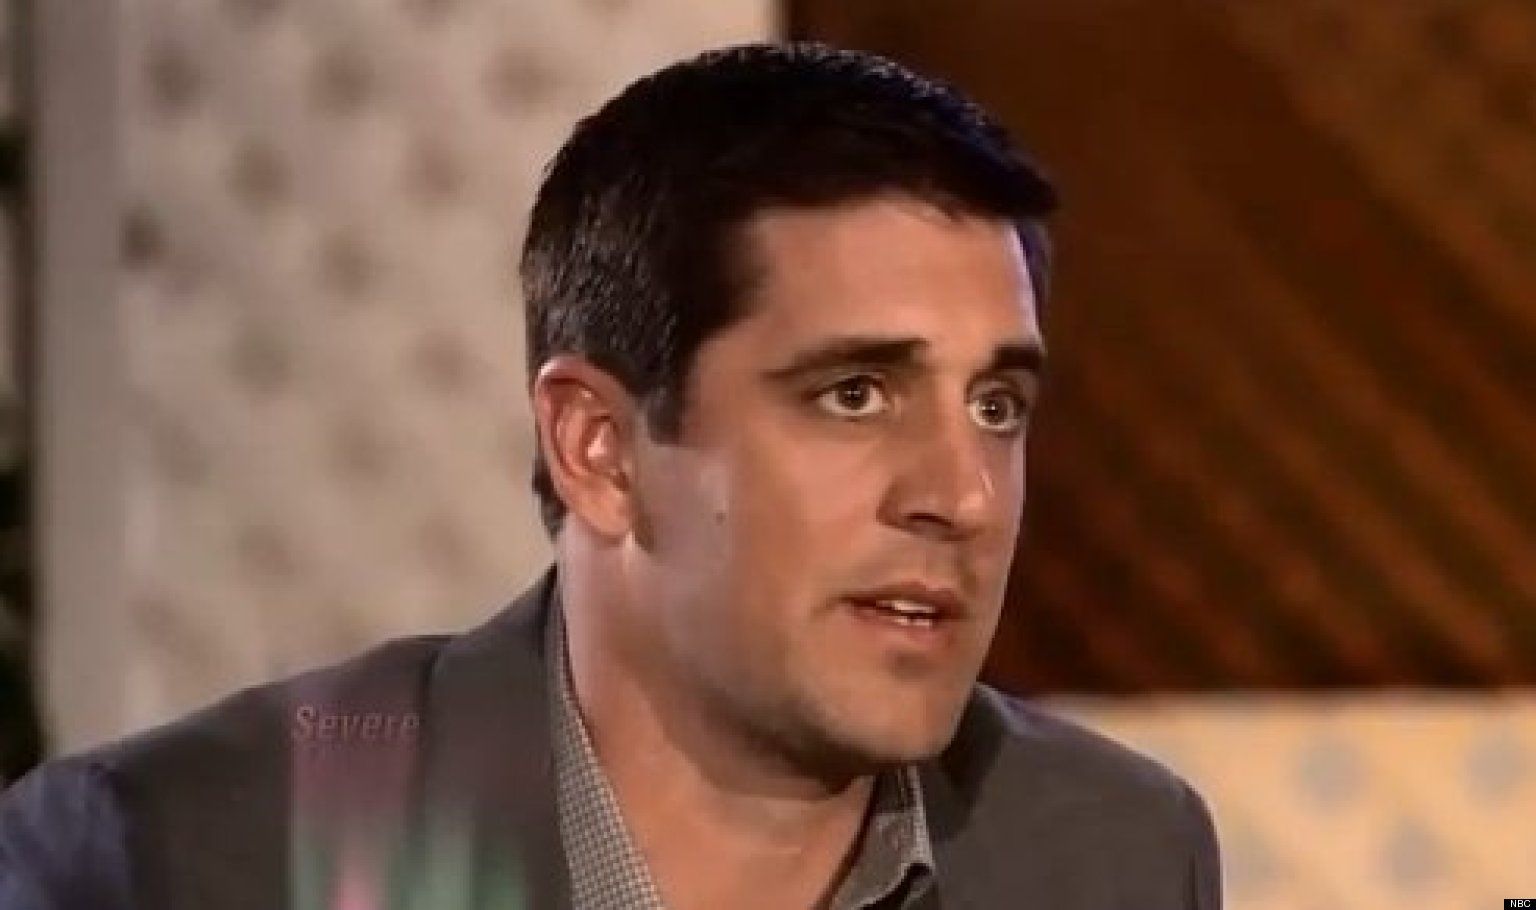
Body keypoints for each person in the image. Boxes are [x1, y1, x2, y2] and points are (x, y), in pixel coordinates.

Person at [0, 42, 1220, 909]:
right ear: (598, 449)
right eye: (854, 393)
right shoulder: (179, 854)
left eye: (997, 406)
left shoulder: (1114, 853)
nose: (963, 495)